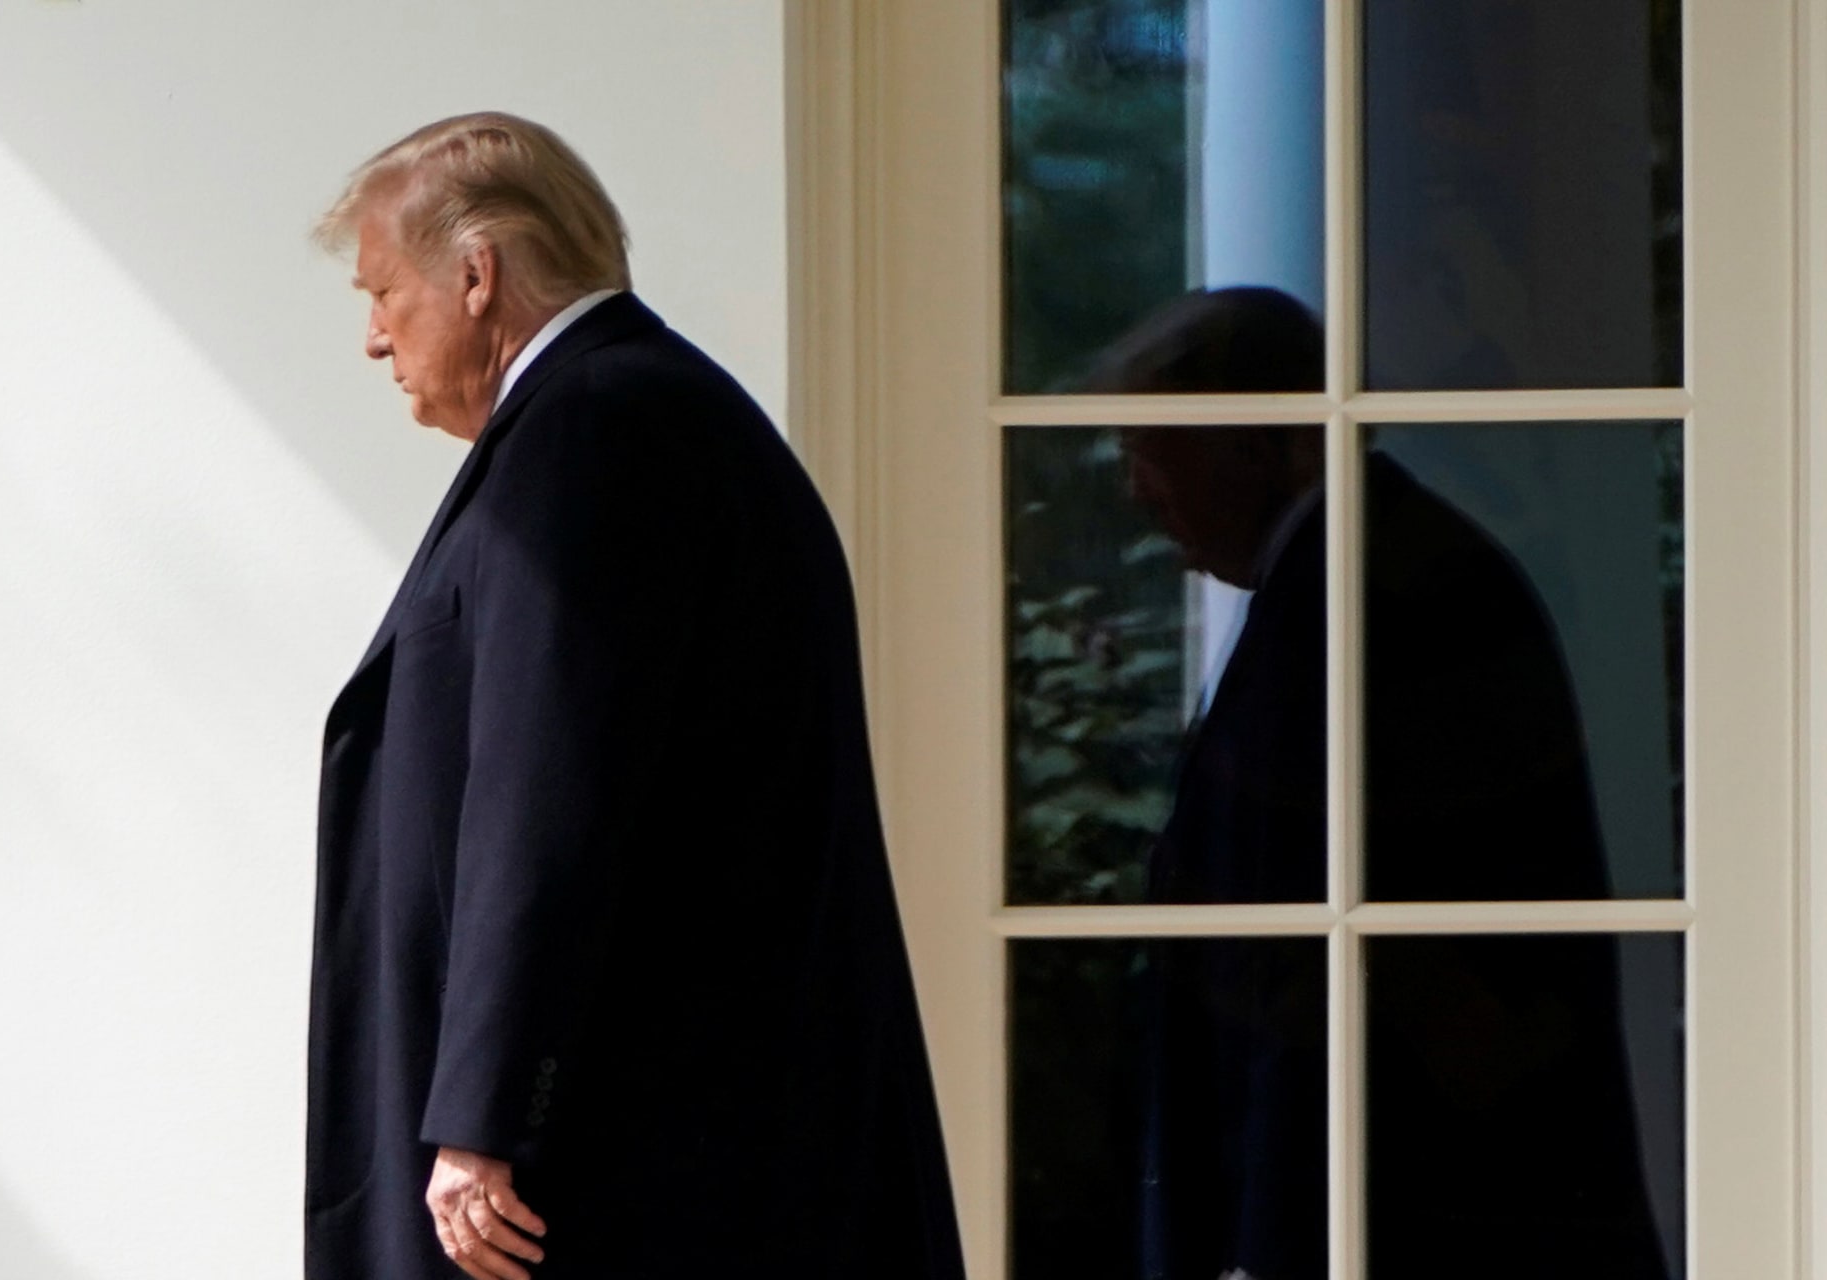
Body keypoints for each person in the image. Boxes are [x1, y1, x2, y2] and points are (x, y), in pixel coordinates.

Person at [305, 112, 964, 1280]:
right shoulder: (638, 414)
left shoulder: (596, 433)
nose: (371, 338)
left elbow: (544, 788)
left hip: (620, 1173)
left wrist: (486, 1115)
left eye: (383, 293)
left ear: (476, 274)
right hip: (673, 1144)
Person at [1093, 288, 1668, 1279]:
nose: (1136, 488)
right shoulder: (1377, 572)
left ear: (1255, 443)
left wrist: (1266, 1246)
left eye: (1149, 444)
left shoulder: (1363, 601)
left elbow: (1314, 976)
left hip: (1415, 1212)